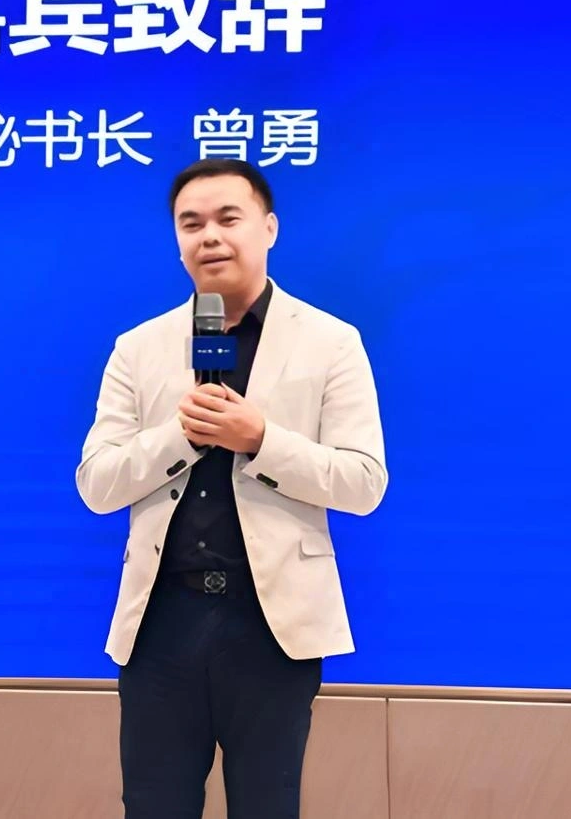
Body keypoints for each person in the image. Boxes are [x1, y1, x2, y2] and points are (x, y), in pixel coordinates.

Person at [74, 159, 389, 818]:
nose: (209, 236)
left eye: (227, 218)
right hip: (161, 624)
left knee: (267, 806)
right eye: (191, 224)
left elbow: (363, 482)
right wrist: (180, 438)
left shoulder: (331, 342)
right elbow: (97, 485)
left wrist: (260, 438)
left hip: (272, 627)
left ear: (268, 228)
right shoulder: (138, 347)